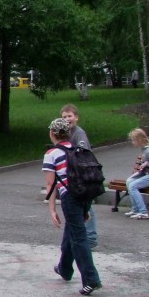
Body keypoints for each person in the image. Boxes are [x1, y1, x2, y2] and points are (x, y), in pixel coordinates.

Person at [43, 118, 102, 296]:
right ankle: (64, 268)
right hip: (85, 195)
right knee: (72, 230)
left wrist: (52, 209)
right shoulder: (77, 150)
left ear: (52, 134)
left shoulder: (52, 154)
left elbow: (50, 185)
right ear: (68, 134)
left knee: (78, 238)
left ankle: (91, 279)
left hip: (70, 197)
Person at [60, 104, 98, 250]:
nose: (67, 119)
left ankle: (91, 237)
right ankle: (83, 236)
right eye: (64, 117)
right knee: (80, 204)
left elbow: (83, 153)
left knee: (86, 204)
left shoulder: (79, 133)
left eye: (69, 116)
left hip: (82, 174)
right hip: (73, 174)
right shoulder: (66, 133)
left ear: (76, 117)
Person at [125, 128, 149, 219]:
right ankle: (135, 209)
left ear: (139, 140)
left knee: (133, 186)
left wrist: (147, 164)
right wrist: (144, 166)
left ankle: (143, 212)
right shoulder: (144, 149)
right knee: (129, 181)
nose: (132, 142)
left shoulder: (148, 151)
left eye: (133, 140)